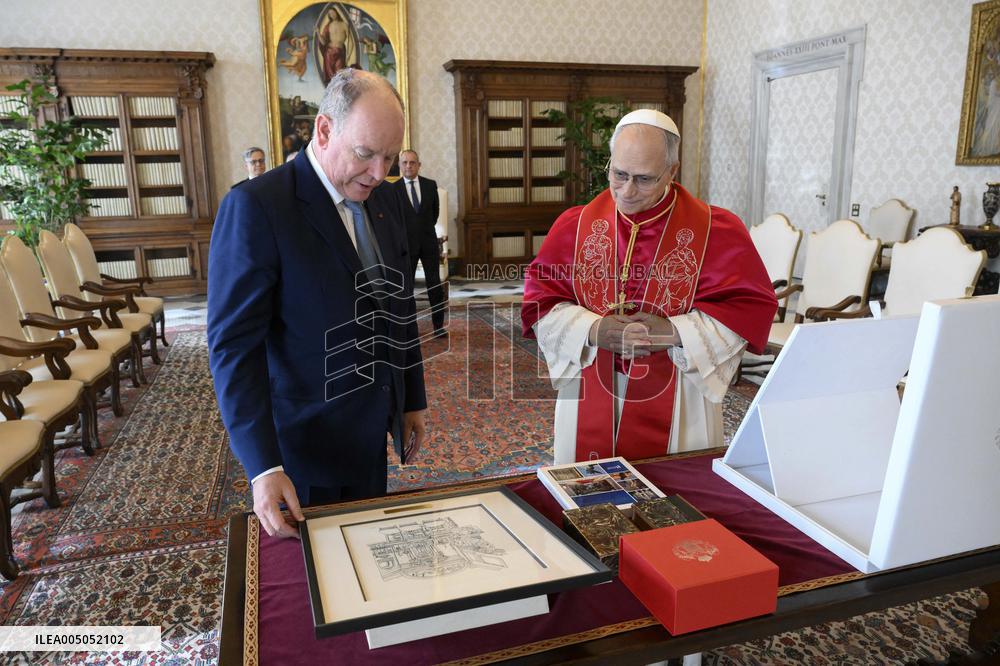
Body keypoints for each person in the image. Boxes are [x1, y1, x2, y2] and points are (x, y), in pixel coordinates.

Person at [207, 69, 427, 539]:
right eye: (366, 154)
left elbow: (399, 306)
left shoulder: (385, 202)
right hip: (301, 449)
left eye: (390, 157)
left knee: (368, 560)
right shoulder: (259, 207)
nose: (379, 173)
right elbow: (233, 349)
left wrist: (412, 399)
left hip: (370, 432)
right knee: (311, 587)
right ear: (324, 130)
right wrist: (263, 467)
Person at [521, 109, 776, 464]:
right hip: (591, 383)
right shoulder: (574, 226)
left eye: (643, 179)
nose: (626, 191)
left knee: (675, 502)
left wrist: (673, 331)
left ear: (672, 171)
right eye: (618, 174)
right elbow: (540, 302)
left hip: (680, 394)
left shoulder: (717, 231)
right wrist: (594, 329)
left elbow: (748, 309)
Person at [393, 149, 447, 337]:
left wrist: (422, 231)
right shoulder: (393, 189)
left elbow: (434, 213)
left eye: (412, 162)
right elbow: (394, 219)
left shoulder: (430, 185)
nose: (408, 166)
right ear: (399, 165)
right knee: (407, 287)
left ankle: (438, 327)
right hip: (406, 246)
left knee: (434, 285)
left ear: (419, 165)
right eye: (405, 162)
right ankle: (409, 329)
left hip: (428, 243)